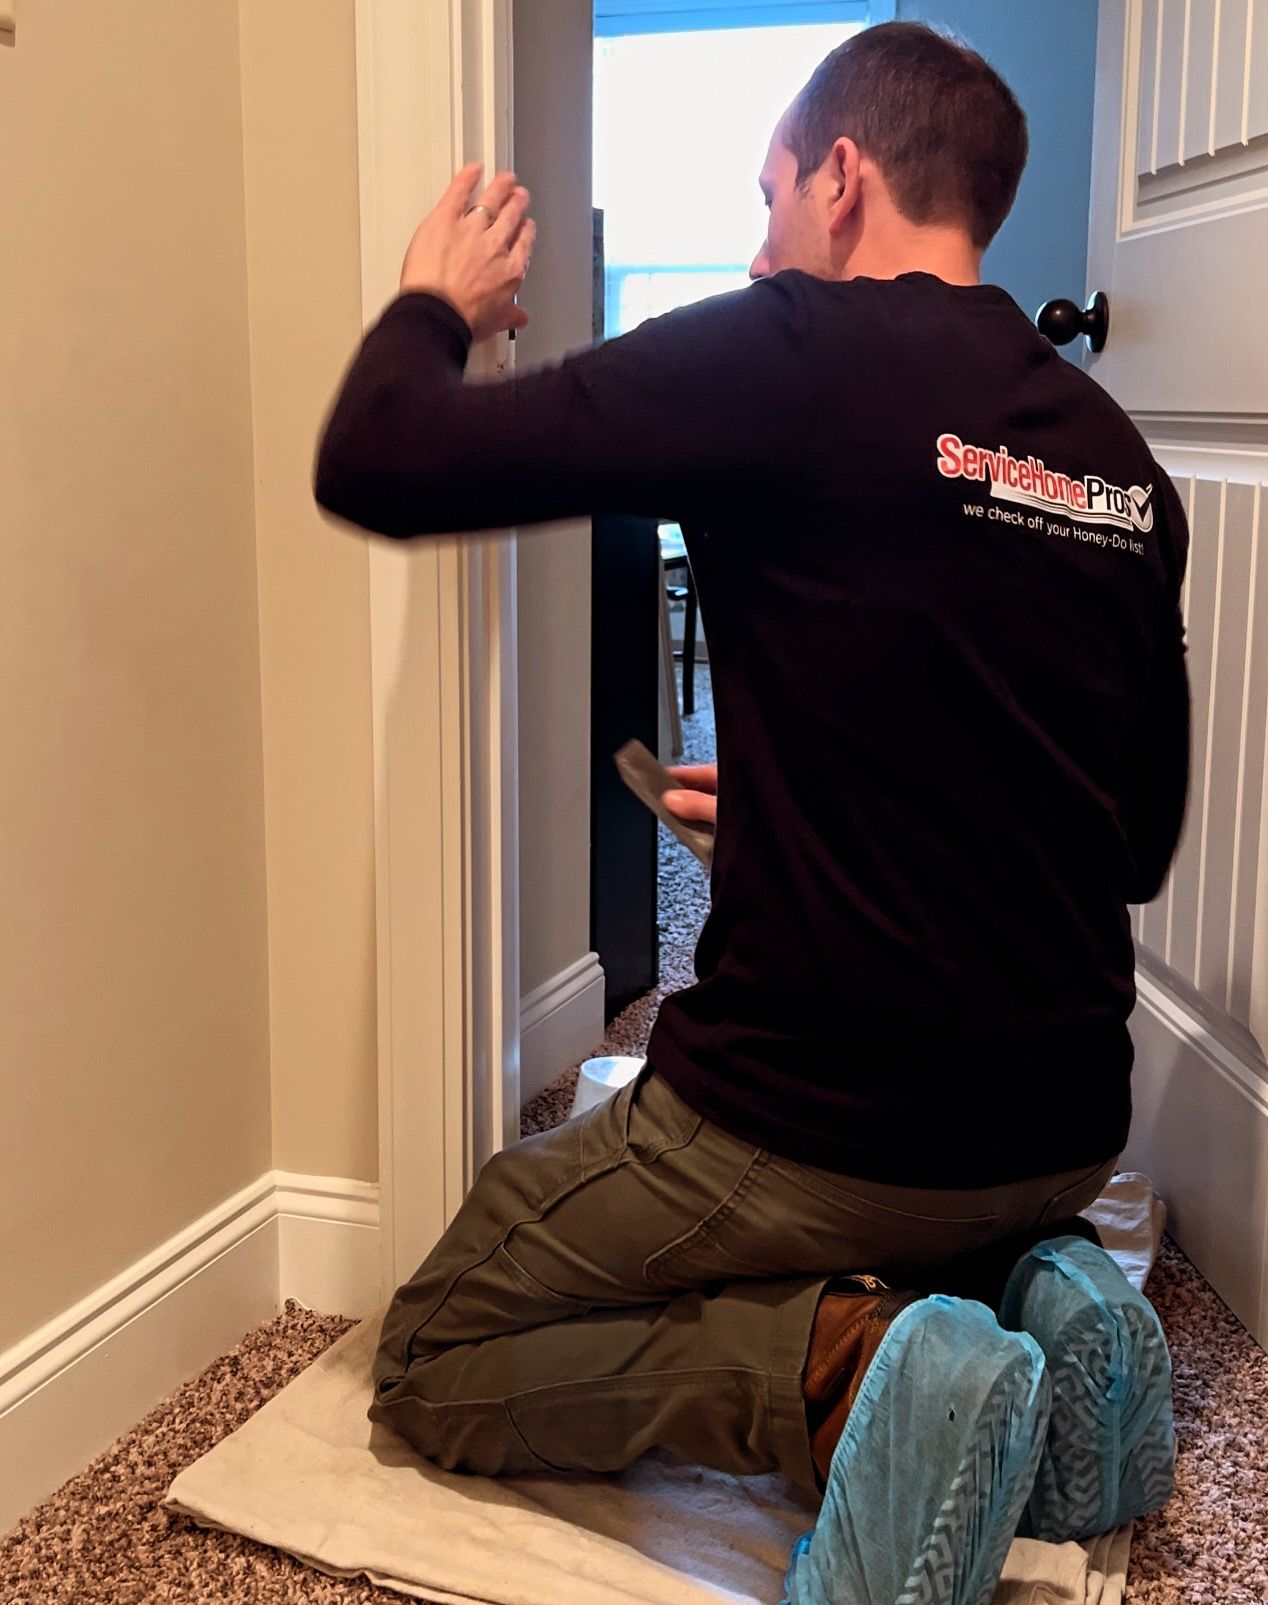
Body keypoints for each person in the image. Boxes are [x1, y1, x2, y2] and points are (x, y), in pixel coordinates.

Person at [314, 22, 1188, 1604]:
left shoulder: (788, 348)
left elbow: (382, 456)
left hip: (821, 1123)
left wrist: (435, 303)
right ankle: (1047, 1292)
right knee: (951, 1196)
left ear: (843, 179)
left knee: (434, 1345)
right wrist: (797, 813)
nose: (759, 240)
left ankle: (839, 1373)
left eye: (770, 197)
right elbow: (1127, 838)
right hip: (1061, 1126)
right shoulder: (1121, 466)